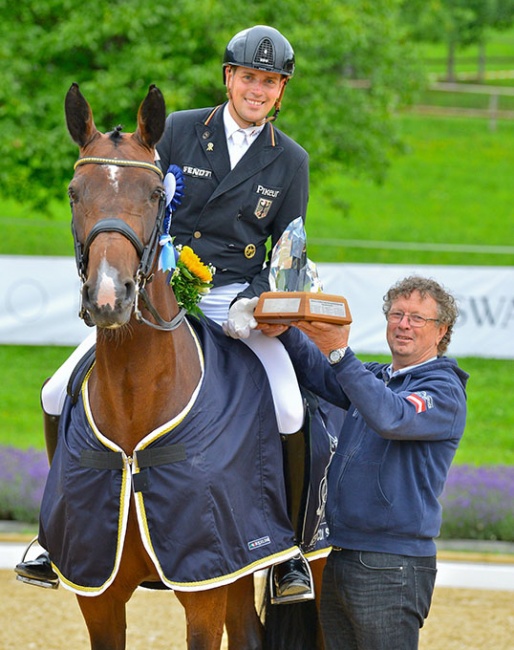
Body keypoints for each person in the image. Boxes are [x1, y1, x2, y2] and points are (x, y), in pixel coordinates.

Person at [16, 25, 312, 599]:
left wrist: (269, 305)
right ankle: (56, 535)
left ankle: (286, 552)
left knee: (290, 404)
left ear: (281, 91)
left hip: (236, 300)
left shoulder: (290, 161)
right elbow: (135, 198)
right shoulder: (177, 130)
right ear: (229, 77)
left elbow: (290, 247)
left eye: (270, 82)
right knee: (56, 392)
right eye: (249, 76)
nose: (258, 89)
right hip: (159, 286)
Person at [259, 275, 469, 649]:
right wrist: (286, 329)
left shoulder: (444, 390)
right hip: (342, 553)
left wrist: (340, 353)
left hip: (393, 563)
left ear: (442, 331)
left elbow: (392, 417)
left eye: (417, 318)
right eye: (397, 314)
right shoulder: (377, 378)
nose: (404, 324)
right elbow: (320, 374)